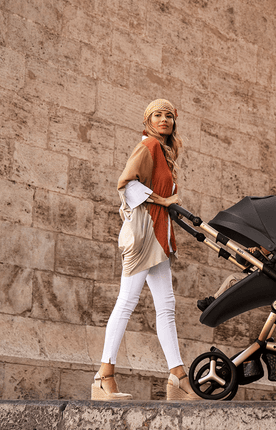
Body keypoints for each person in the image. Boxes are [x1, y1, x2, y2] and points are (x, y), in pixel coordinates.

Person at [91, 99, 199, 401]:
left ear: (174, 121)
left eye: (168, 115)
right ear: (147, 119)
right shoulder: (149, 146)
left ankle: (177, 376)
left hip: (159, 236)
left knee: (167, 306)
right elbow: (126, 184)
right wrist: (164, 201)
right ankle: (104, 376)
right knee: (127, 300)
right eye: (157, 115)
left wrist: (169, 203)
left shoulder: (166, 152)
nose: (163, 119)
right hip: (144, 233)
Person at [197, 247, 272, 312]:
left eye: (263, 247)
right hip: (251, 277)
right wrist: (249, 253)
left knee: (233, 278)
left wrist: (261, 255)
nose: (261, 247)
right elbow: (240, 259)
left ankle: (213, 302)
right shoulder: (258, 252)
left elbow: (271, 268)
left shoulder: (272, 257)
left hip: (260, 280)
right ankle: (216, 302)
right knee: (233, 282)